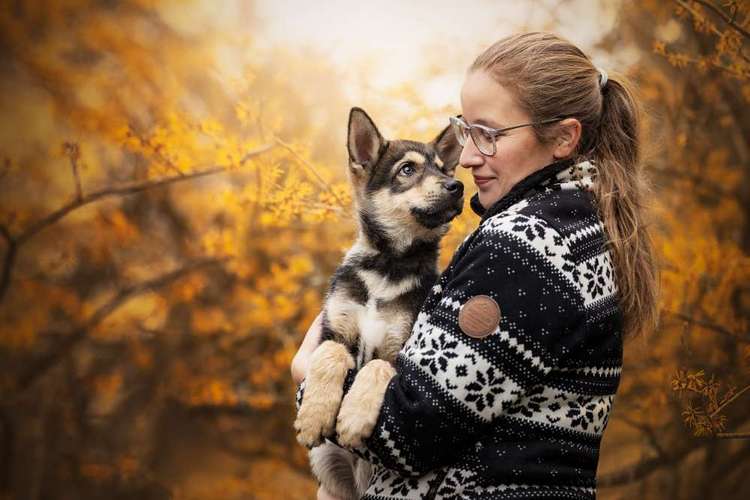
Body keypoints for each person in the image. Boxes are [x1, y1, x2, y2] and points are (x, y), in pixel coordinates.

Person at [292, 31, 659, 500]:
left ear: (564, 137)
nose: (463, 159)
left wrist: (308, 374)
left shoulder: (525, 247)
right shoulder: (576, 227)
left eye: (488, 135)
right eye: (466, 130)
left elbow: (408, 434)